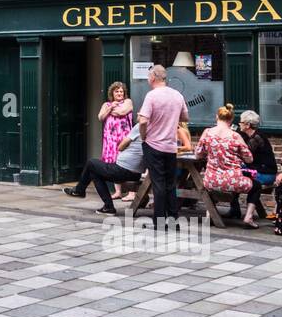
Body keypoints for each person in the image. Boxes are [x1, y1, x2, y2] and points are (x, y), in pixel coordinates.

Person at [138, 64, 189, 225]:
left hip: (153, 144)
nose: (148, 79)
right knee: (170, 184)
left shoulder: (151, 96)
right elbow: (185, 118)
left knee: (158, 184)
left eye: (148, 77)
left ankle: (159, 221)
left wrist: (143, 135)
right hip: (170, 146)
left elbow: (143, 120)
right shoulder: (177, 95)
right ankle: (173, 219)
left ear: (153, 77)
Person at [195, 104, 261, 228]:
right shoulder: (235, 136)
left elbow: (198, 154)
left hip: (211, 180)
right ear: (231, 120)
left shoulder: (207, 133)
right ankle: (248, 217)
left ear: (216, 117)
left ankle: (211, 215)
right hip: (233, 181)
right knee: (256, 186)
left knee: (210, 188)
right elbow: (249, 158)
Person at [65, 122, 145, 213]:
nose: (138, 113)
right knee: (94, 173)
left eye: (141, 112)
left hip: (123, 170)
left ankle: (79, 190)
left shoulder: (140, 126)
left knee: (91, 163)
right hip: (134, 172)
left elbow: (121, 146)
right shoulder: (152, 129)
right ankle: (107, 207)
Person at [98, 82, 135, 199]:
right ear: (112, 93)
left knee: (128, 163)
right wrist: (110, 107)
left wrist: (111, 110)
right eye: (117, 91)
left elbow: (122, 112)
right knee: (114, 164)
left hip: (124, 138)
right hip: (111, 140)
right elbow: (100, 117)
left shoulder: (128, 102)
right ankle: (118, 191)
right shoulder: (106, 104)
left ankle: (132, 193)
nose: (119, 93)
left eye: (121, 91)